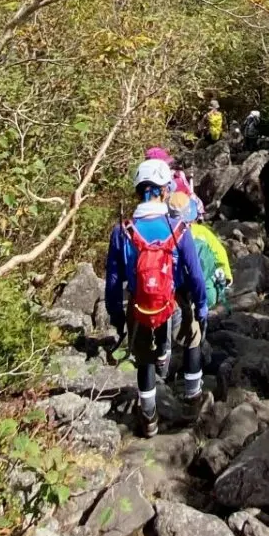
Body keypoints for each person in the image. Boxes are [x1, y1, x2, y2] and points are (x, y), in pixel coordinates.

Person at [104, 158, 210, 437]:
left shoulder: (122, 231)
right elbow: (196, 275)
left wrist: (116, 314)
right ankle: (192, 398)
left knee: (145, 359)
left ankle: (149, 417)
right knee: (192, 339)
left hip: (139, 304)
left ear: (139, 191)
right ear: (163, 190)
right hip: (173, 301)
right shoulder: (179, 228)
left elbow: (114, 280)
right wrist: (201, 306)